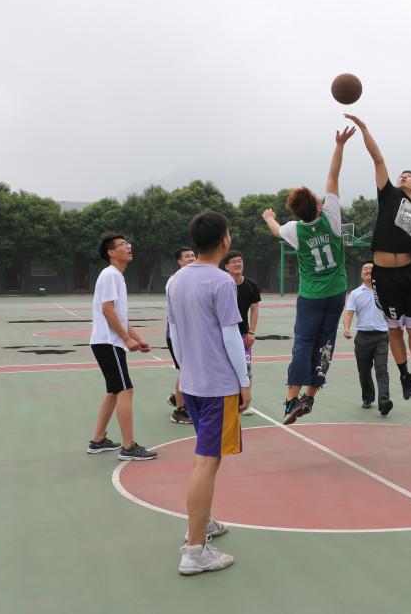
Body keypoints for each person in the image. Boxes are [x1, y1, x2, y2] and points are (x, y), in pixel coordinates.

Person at [343, 113, 411, 401]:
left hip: (408, 275)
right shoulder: (388, 194)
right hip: (384, 276)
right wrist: (364, 128)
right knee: (394, 330)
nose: (403, 176)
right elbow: (378, 158)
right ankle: (405, 376)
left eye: (409, 176)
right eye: (402, 174)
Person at [167, 211, 252, 575]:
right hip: (217, 385)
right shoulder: (221, 282)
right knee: (208, 461)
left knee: (205, 456)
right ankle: (194, 550)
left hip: (192, 382)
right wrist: (243, 381)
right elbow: (231, 335)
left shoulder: (175, 281)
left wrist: (185, 371)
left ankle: (203, 523)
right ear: (224, 241)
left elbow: (173, 332)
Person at [263, 124, 354, 425]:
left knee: (303, 344)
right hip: (336, 293)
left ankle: (291, 400)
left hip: (311, 297)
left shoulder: (294, 230)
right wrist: (339, 145)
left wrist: (269, 217)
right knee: (325, 343)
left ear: (295, 213)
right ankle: (311, 395)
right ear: (317, 204)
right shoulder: (331, 217)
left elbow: (276, 230)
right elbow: (333, 177)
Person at [86, 233, 157, 461]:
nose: (128, 247)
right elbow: (107, 310)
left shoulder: (116, 276)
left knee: (114, 391)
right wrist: (126, 339)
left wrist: (137, 338)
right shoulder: (110, 275)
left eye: (128, 244)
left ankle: (98, 440)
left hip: (107, 341)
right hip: (108, 342)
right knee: (126, 390)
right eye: (123, 245)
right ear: (111, 252)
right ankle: (129, 447)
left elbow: (120, 316)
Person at [343, 261, 393, 416]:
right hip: (363, 337)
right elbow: (349, 313)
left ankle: (384, 402)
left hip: (381, 336)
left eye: (371, 269)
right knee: (364, 371)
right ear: (361, 273)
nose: (368, 271)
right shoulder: (355, 294)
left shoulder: (386, 291)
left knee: (381, 369)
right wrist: (346, 328)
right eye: (365, 269)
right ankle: (368, 397)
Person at [221, 249, 261, 416]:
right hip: (222, 335)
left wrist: (251, 332)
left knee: (246, 368)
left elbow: (254, 309)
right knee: (224, 368)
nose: (238, 264)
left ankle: (245, 402)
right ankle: (224, 401)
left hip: (243, 334)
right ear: (226, 266)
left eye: (240, 261)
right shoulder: (221, 285)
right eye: (234, 262)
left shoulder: (251, 285)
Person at [166, 247, 197, 425]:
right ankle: (179, 410)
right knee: (184, 370)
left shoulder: (194, 279)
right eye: (187, 256)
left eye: (193, 255)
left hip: (191, 333)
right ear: (179, 261)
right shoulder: (175, 280)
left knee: (190, 370)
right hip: (177, 334)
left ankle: (180, 399)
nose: (191, 258)